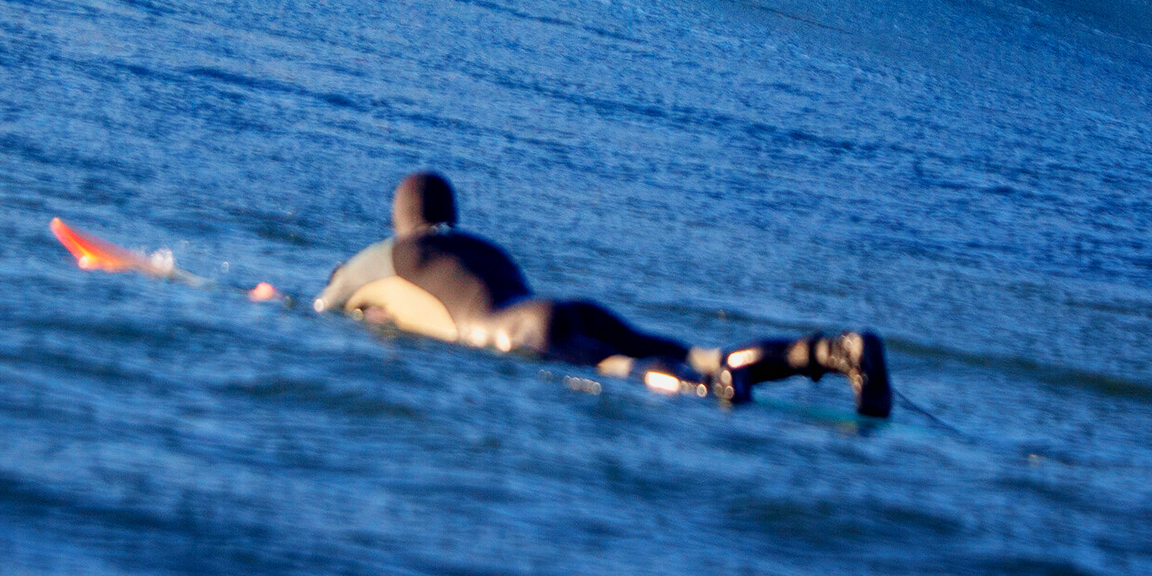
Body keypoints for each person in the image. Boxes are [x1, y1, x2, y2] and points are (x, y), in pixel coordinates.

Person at [313, 171, 891, 416]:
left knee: (620, 366)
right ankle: (833, 351)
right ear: (452, 216)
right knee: (696, 348)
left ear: (398, 222)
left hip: (516, 336)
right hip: (563, 309)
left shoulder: (378, 258)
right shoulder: (484, 248)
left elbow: (326, 303)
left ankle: (708, 390)